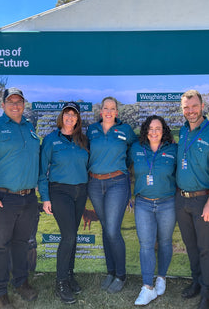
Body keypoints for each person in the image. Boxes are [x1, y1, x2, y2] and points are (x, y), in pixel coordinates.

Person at [0, 87, 40, 309]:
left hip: (29, 199)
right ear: (3, 105)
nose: (15, 105)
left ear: (24, 104)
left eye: (19, 101)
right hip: (2, 198)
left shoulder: (30, 128)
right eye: (10, 101)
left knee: (22, 244)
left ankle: (21, 283)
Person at [176, 90, 209, 309]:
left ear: (202, 105)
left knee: (206, 248)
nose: (190, 111)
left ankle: (208, 294)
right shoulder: (182, 132)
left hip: (203, 201)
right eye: (186, 108)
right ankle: (197, 282)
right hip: (182, 200)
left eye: (194, 106)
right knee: (190, 246)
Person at [39, 102, 89, 304]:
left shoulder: (83, 140)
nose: (70, 117)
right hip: (59, 191)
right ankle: (61, 283)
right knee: (68, 236)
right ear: (62, 117)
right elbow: (42, 172)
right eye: (67, 114)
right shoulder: (51, 140)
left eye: (74, 114)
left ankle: (69, 276)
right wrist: (45, 197)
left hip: (81, 191)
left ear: (78, 119)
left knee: (73, 236)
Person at [87, 96, 137, 294]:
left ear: (117, 112)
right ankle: (110, 271)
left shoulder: (125, 130)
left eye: (112, 108)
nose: (109, 111)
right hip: (95, 183)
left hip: (117, 183)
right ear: (101, 111)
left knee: (112, 230)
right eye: (105, 108)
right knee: (106, 229)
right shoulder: (92, 130)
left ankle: (121, 275)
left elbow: (135, 148)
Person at [129, 115, 177, 306]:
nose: (154, 131)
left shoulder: (174, 149)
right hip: (143, 204)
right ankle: (148, 287)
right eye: (151, 128)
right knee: (146, 244)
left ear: (164, 130)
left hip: (167, 203)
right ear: (145, 131)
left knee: (165, 241)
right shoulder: (136, 149)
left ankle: (161, 277)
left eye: (158, 128)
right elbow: (123, 169)